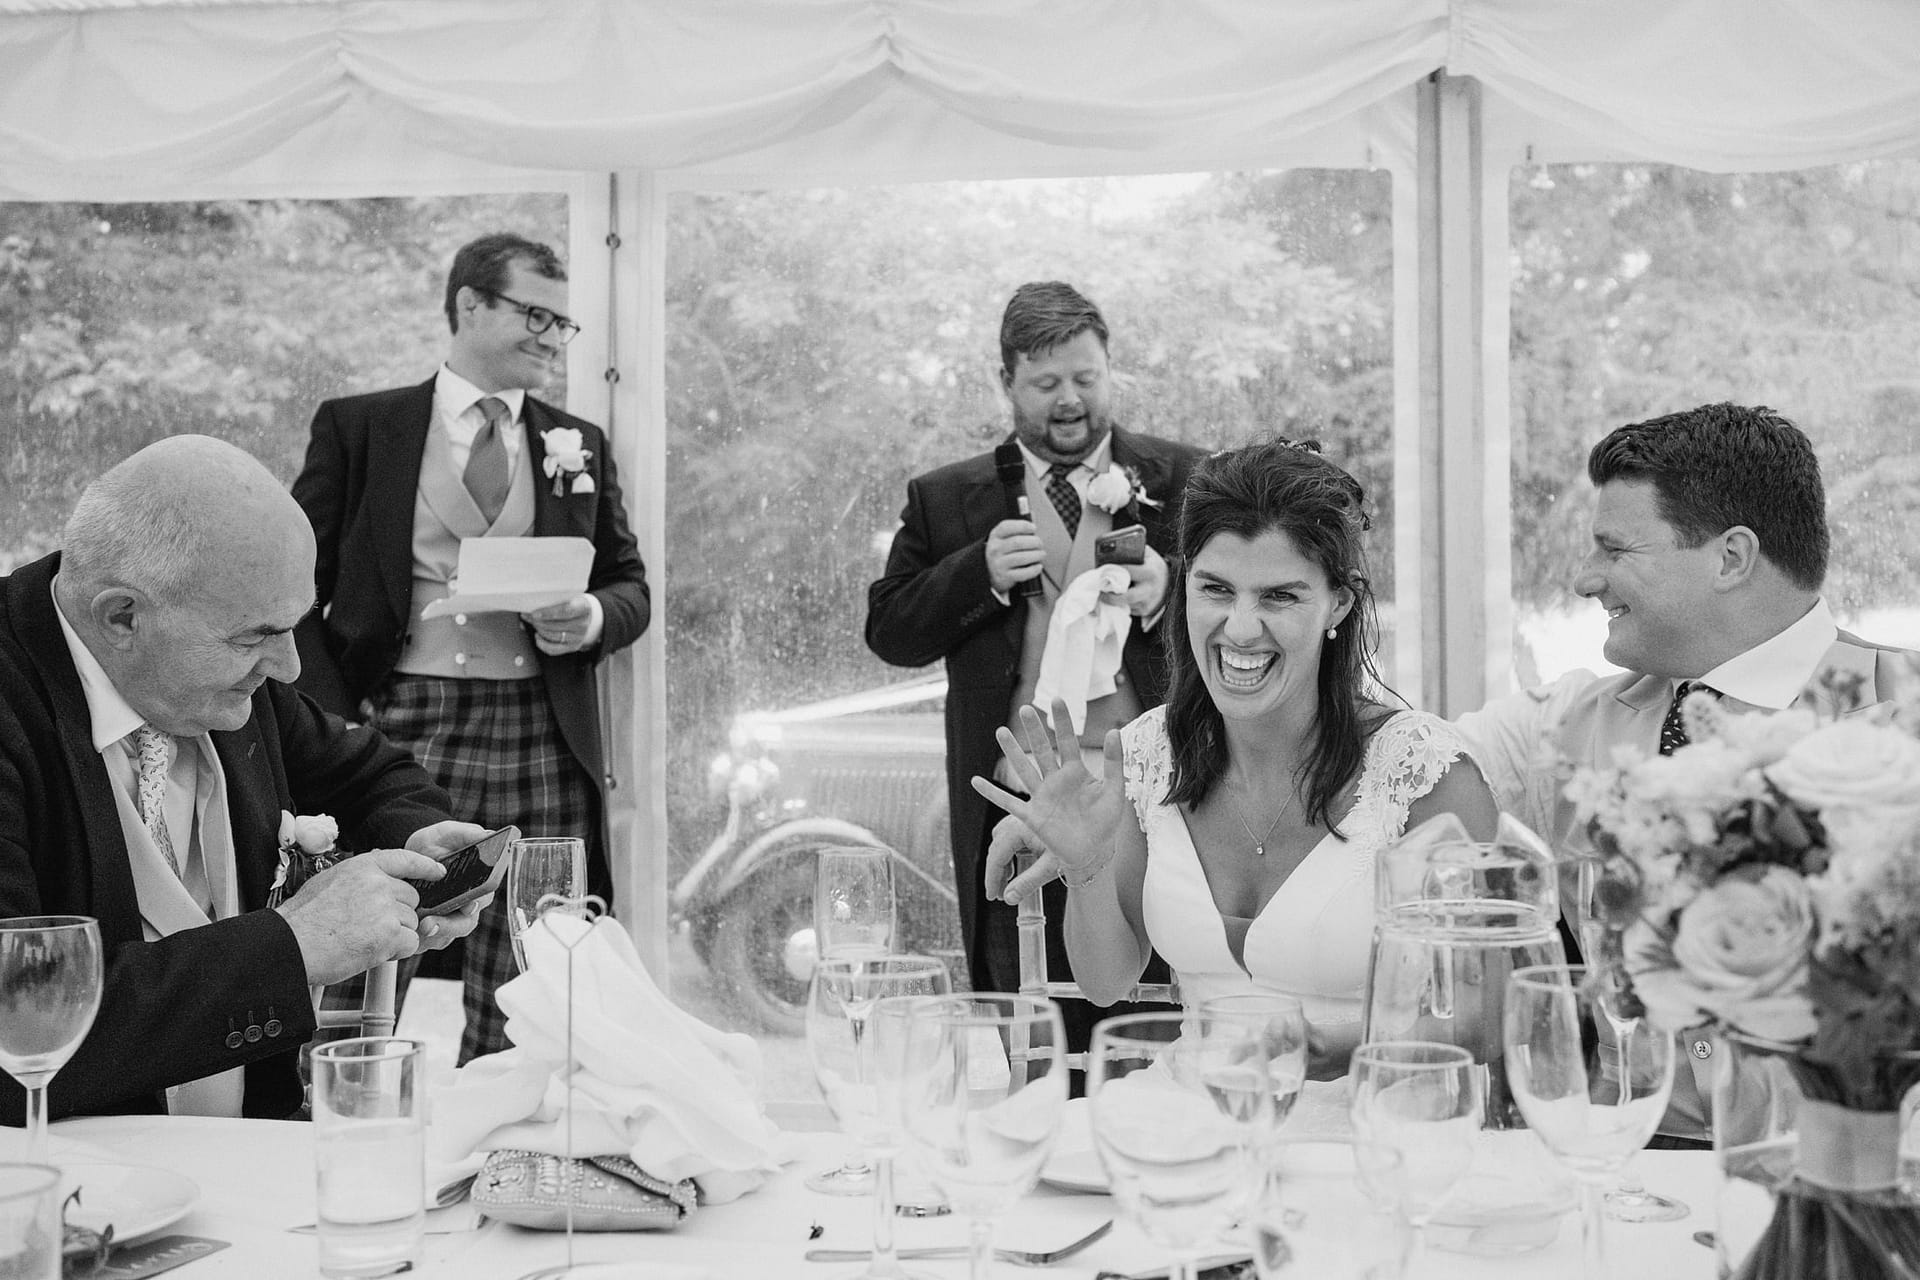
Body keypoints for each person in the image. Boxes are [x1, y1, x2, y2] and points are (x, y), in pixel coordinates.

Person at [1458, 401, 1913, 1144]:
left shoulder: (1902, 724)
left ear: (1731, 558)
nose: (1583, 578)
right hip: (1624, 1172)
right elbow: (1399, 761)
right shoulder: (1569, 723)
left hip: (1840, 1186)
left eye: (1614, 549)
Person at [0, 436, 484, 1123]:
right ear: (122, 616)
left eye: (294, 627)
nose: (288, 668)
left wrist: (422, 845)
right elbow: (19, 1020)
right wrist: (295, 944)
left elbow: (374, 774)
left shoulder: (232, 681)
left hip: (252, 1162)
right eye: (254, 636)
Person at [978, 439, 1500, 1073]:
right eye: (1217, 589)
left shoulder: (1427, 778)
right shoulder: (1149, 752)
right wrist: (1086, 872)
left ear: (1338, 602)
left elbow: (1482, 1017)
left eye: (1279, 596)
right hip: (1195, 1132)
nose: (1242, 627)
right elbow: (1105, 983)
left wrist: (1334, 1049)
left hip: (1366, 1138)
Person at [292, 232, 650, 1063]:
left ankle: (501, 1141)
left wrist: (593, 617)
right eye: (535, 315)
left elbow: (630, 584)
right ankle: (327, 1123)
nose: (552, 339)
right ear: (469, 306)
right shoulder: (361, 427)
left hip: (540, 730)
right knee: (367, 943)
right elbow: (295, 586)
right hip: (397, 726)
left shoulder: (578, 443)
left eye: (563, 325)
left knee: (532, 965)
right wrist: (337, 719)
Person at [865, 281, 1206, 1023]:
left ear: (1111, 369)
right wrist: (975, 575)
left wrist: (1173, 589)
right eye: (1046, 383)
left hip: (1160, 796)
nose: (1069, 400)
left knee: (1161, 1017)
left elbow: (1257, 607)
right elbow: (888, 632)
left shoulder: (1187, 480)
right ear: (1007, 383)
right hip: (1021, 803)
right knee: (1032, 1028)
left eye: (1086, 378)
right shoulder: (946, 499)